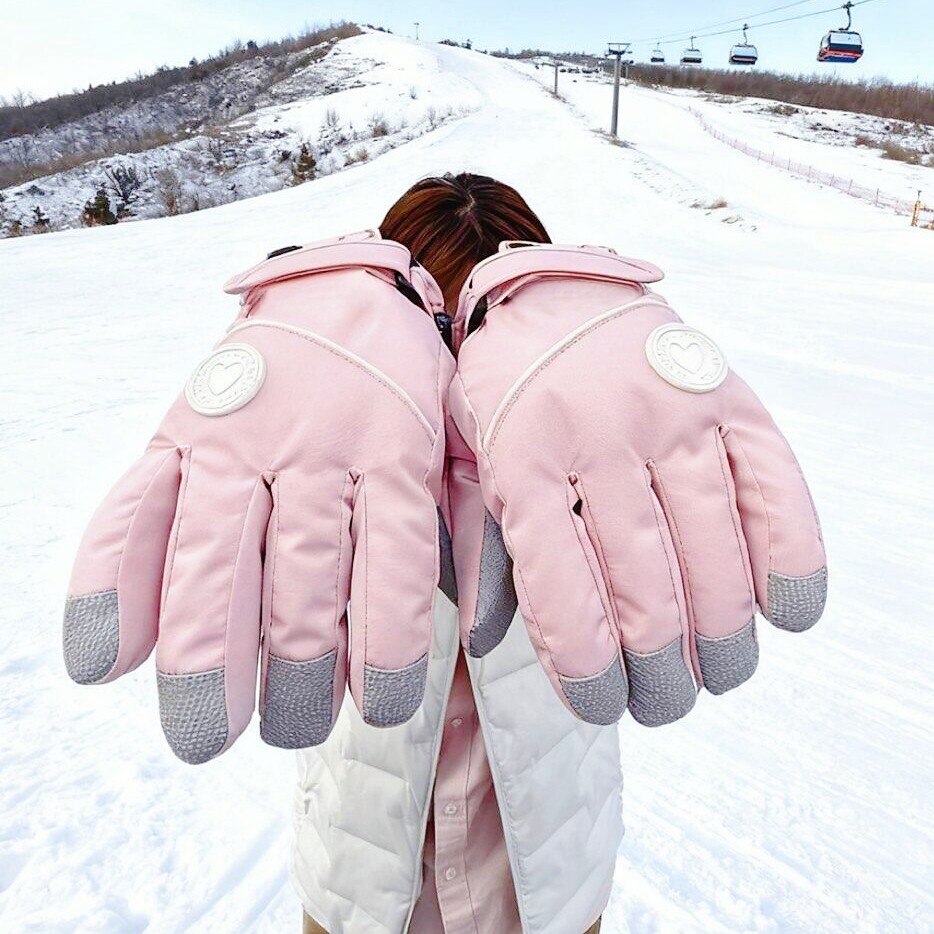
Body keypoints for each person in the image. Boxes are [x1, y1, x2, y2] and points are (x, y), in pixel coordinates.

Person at [295, 173, 608, 934]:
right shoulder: (333, 461)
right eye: (437, 329)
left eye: (487, 326)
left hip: (543, 877)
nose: (459, 360)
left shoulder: (587, 452)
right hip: (362, 876)